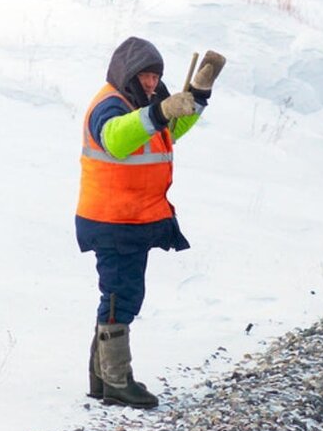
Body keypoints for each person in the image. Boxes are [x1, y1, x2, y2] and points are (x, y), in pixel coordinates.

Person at [76, 37, 225, 408]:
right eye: (144, 75)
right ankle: (116, 380)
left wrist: (197, 96)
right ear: (127, 74)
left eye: (155, 76)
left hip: (129, 216)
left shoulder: (140, 103)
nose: (150, 82)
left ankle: (103, 380)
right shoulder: (109, 105)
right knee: (120, 295)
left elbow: (170, 130)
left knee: (119, 294)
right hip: (112, 218)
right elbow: (116, 139)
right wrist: (159, 111)